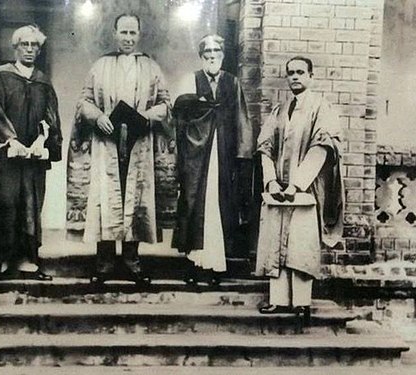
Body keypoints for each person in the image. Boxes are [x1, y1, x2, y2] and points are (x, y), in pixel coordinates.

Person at [66, 14, 172, 286]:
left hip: (138, 142)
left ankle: (132, 262)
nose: (127, 38)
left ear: (139, 35)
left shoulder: (151, 67)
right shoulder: (101, 65)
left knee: (134, 197)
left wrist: (148, 116)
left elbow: (165, 103)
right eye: (123, 32)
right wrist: (97, 116)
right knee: (107, 196)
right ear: (115, 34)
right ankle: (103, 262)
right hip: (108, 142)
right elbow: (84, 101)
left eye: (132, 33)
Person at [255, 56, 344, 323]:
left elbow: (322, 147)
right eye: (290, 73)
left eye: (300, 72)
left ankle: (302, 303)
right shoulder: (279, 111)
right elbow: (265, 146)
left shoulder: (321, 108)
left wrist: (296, 184)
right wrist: (271, 180)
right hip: (278, 188)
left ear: (311, 76)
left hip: (304, 189)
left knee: (300, 244)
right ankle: (279, 300)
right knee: (276, 241)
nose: (295, 77)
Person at [171, 34, 255, 285]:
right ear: (201, 56)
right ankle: (194, 267)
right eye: (206, 52)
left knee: (219, 206)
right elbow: (180, 119)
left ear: (223, 55)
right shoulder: (191, 80)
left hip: (224, 152)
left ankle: (216, 266)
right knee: (195, 204)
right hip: (196, 155)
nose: (211, 56)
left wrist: (243, 154)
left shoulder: (233, 82)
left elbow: (242, 118)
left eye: (216, 51)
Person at [0, 25, 62, 282]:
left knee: (31, 205)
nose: (29, 49)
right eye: (24, 44)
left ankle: (29, 259)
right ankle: (0, 262)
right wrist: (10, 140)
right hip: (7, 158)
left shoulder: (43, 82)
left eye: (34, 45)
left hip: (33, 160)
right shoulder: (0, 77)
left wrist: (42, 141)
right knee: (5, 203)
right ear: (15, 47)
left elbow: (51, 118)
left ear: (39, 50)